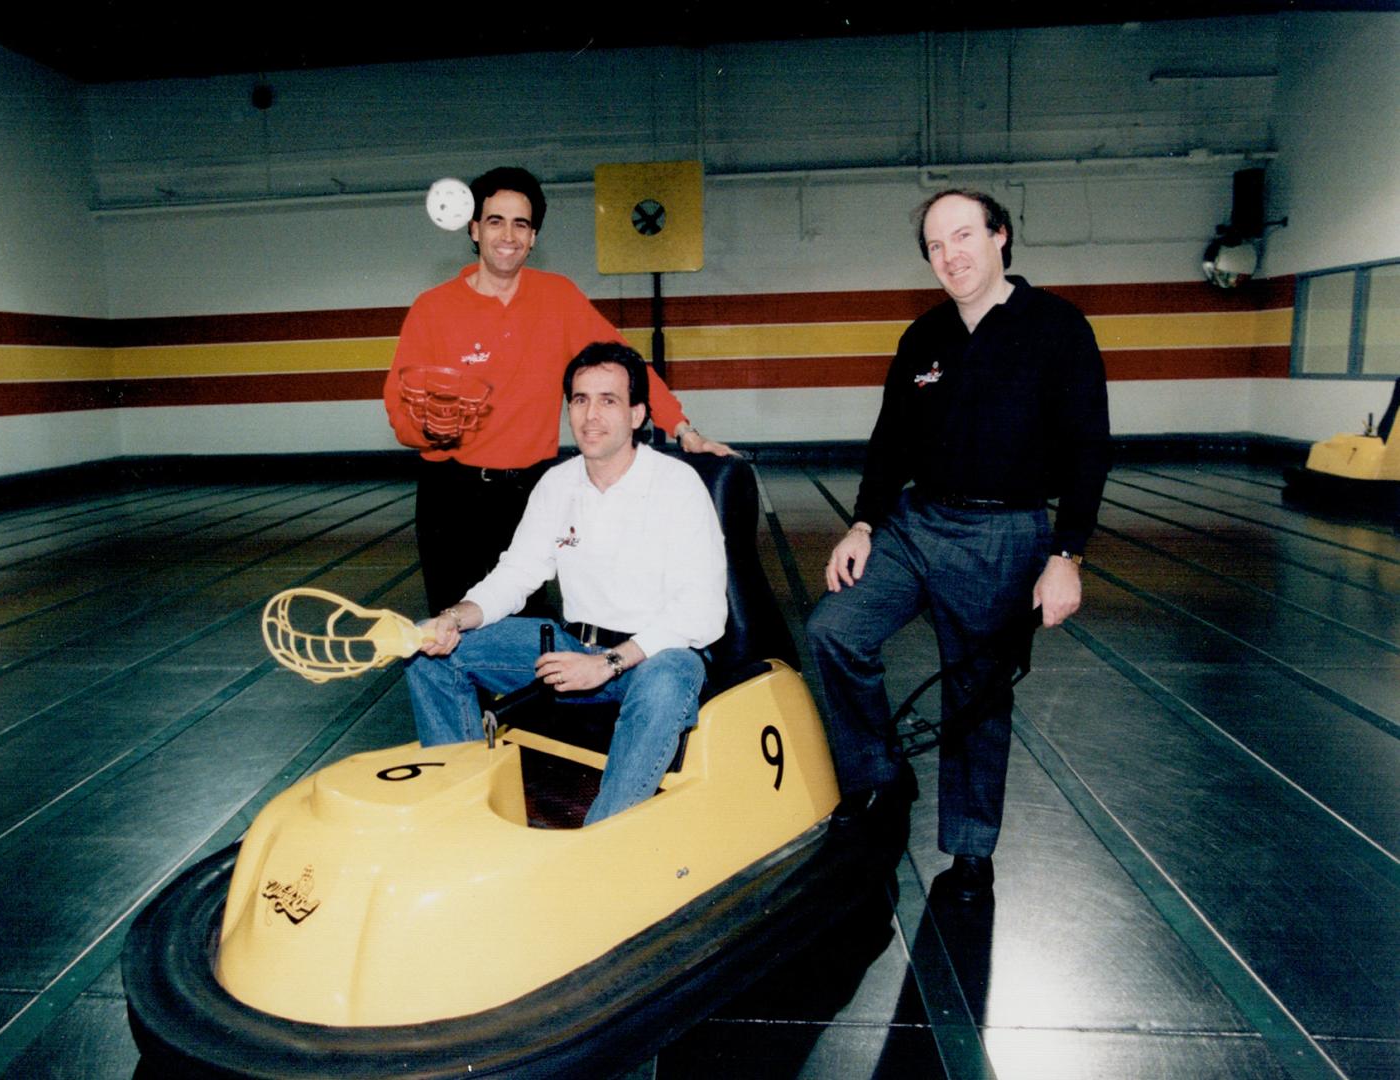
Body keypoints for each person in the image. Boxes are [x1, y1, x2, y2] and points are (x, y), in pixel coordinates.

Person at [806, 188, 1110, 901]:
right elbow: (889, 443)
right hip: (916, 525)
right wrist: (861, 524)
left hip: (1004, 533)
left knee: (976, 696)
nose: (951, 255)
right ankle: (880, 775)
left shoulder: (1056, 328)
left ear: (1000, 236)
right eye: (935, 246)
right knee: (832, 629)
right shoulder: (923, 338)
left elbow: (1088, 447)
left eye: (963, 235)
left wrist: (1066, 554)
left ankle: (971, 850)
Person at [383, 166, 732, 613]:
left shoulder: (558, 298)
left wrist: (684, 429)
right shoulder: (433, 308)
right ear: (474, 229)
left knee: (526, 634)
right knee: (456, 635)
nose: (508, 235)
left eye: (521, 224)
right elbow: (398, 408)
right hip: (453, 498)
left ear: (532, 237)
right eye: (495, 221)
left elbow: (628, 367)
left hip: (532, 495)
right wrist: (428, 432)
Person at [405, 343, 727, 825]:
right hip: (575, 646)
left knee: (668, 680)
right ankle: (468, 815)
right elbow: (515, 575)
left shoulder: (677, 486)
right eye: (579, 400)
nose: (590, 416)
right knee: (427, 653)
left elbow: (701, 613)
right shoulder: (558, 484)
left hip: (654, 657)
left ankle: (605, 837)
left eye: (608, 400)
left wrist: (608, 664)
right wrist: (452, 618)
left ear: (638, 414)